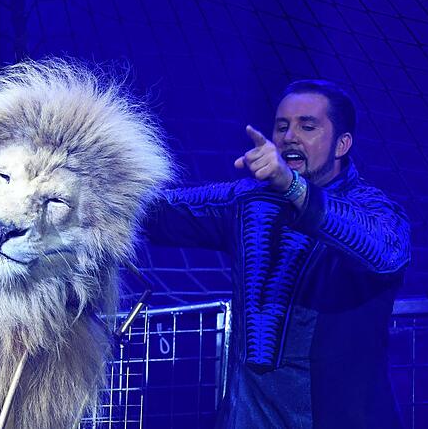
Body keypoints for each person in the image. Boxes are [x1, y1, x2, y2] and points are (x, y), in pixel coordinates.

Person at [144, 80, 410, 428]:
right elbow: (155, 213)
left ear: (342, 144)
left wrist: (293, 187)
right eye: (281, 126)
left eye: (307, 126)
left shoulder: (374, 208)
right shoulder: (248, 201)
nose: (289, 136)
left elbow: (386, 253)